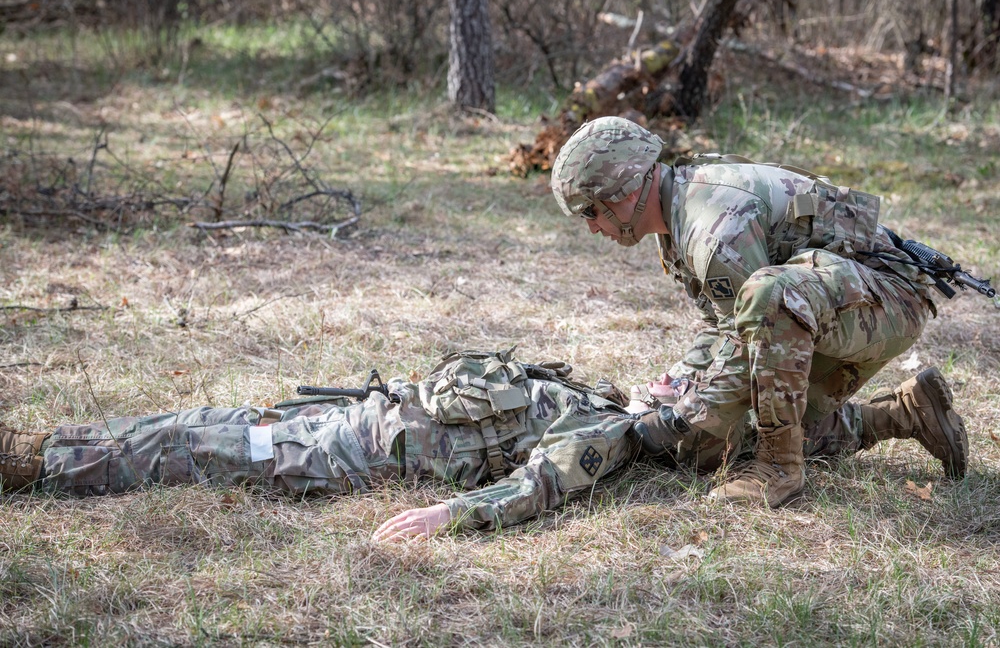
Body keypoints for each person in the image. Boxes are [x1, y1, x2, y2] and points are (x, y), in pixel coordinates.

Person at [0, 347, 965, 539]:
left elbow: (543, 487)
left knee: (193, 446)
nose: (673, 384)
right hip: (361, 419)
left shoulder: (614, 429)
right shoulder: (603, 393)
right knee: (200, 427)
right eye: (684, 380)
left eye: (685, 397)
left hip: (352, 455)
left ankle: (39, 460)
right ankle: (894, 418)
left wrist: (447, 516)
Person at [550, 116, 969, 508]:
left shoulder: (711, 229)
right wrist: (682, 382)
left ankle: (778, 468)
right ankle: (907, 414)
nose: (591, 226)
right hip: (837, 302)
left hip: (888, 299)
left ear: (624, 191)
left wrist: (680, 417)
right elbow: (724, 324)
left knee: (765, 309)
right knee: (716, 440)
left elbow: (756, 329)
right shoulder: (677, 212)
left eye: (590, 210)